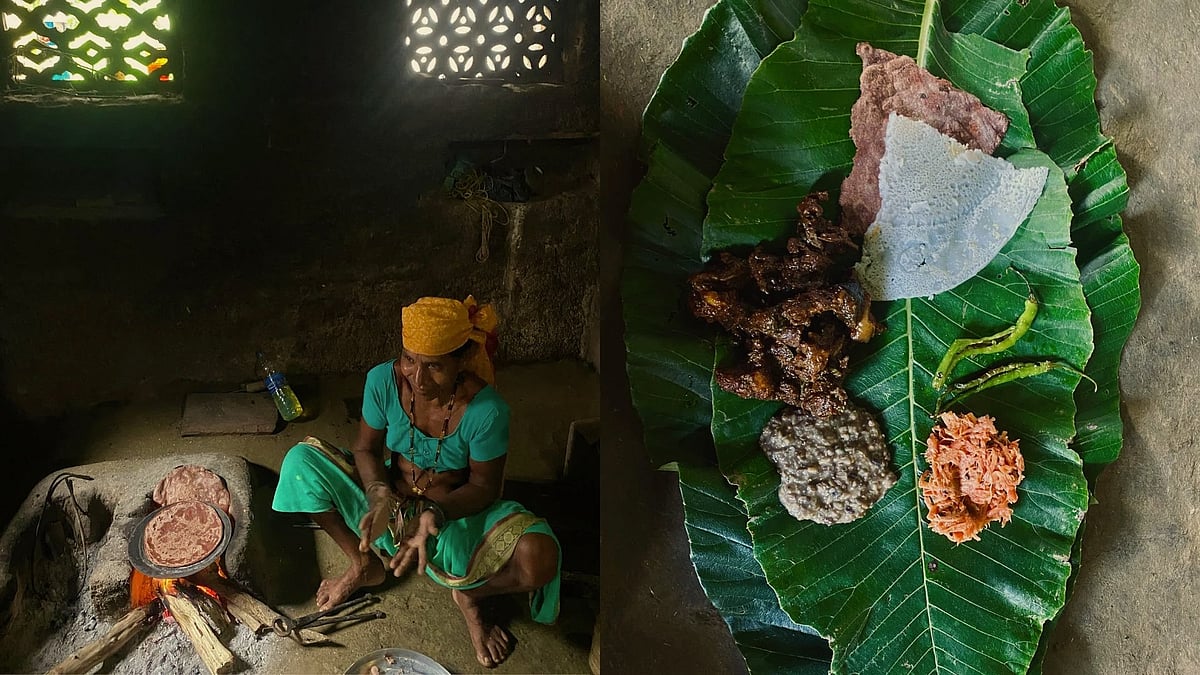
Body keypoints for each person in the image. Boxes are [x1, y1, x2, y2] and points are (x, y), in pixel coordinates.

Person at [271, 295, 561, 668]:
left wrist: (434, 512)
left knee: (539, 557)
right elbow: (365, 449)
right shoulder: (382, 380)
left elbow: (484, 488)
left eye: (435, 366)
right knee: (301, 462)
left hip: (447, 522)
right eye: (410, 360)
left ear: (461, 361)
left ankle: (471, 596)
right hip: (387, 506)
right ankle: (363, 565)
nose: (418, 379)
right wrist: (378, 495)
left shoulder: (487, 412)